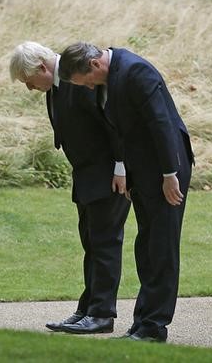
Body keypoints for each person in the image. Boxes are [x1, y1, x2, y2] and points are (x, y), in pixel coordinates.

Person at [58, 42, 194, 343]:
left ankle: (154, 326)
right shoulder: (108, 79)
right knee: (145, 246)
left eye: (87, 82)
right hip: (144, 171)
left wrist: (170, 174)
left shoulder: (136, 72)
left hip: (166, 168)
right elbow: (124, 133)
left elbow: (161, 124)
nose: (90, 88)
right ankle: (141, 323)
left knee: (161, 247)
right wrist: (131, 178)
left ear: (94, 66)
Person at [9, 41, 130, 335]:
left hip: (108, 173)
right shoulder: (57, 85)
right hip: (86, 173)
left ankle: (102, 314)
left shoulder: (81, 76)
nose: (30, 88)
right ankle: (88, 307)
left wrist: (121, 166)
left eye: (29, 82)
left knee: (104, 243)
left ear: (41, 67)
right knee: (91, 242)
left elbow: (114, 122)